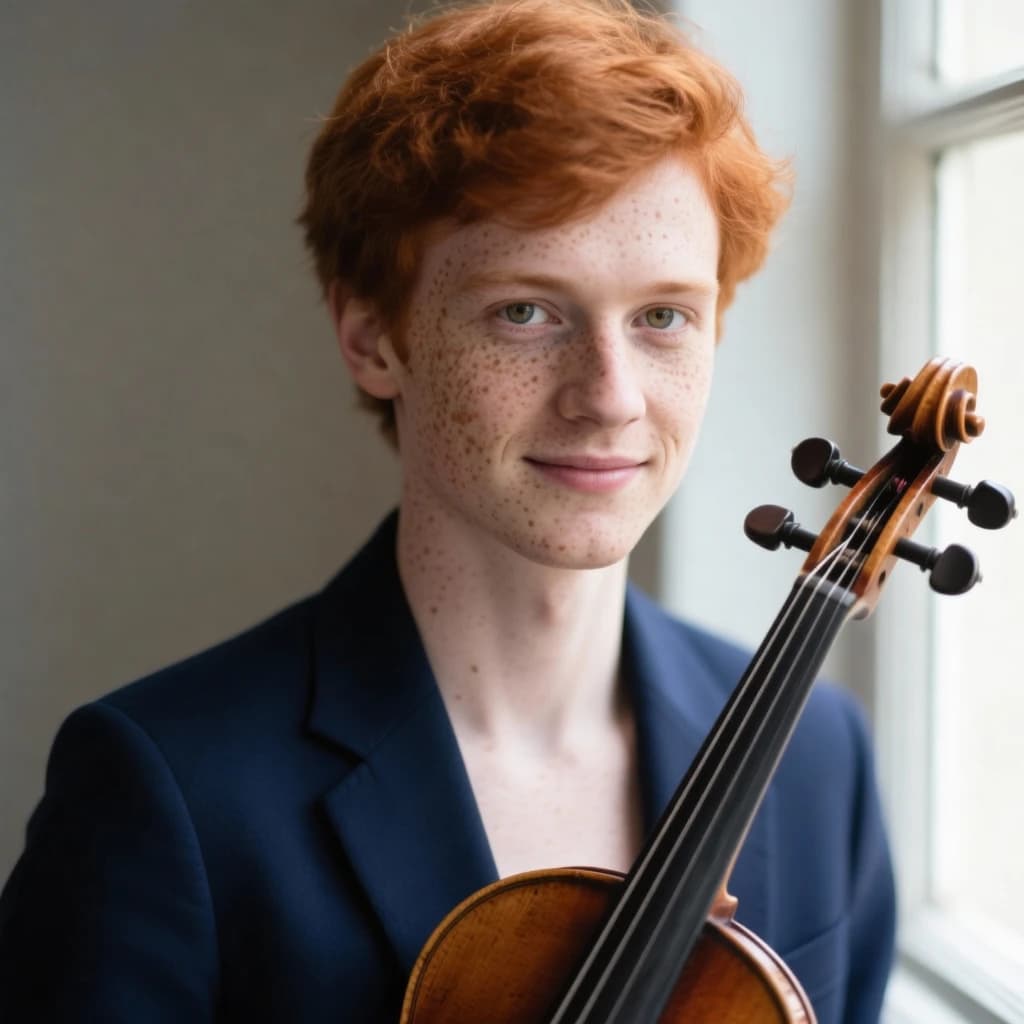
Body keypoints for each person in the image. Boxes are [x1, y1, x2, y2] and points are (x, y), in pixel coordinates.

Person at [0, 0, 895, 1020]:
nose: (607, 394)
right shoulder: (165, 789)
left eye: (661, 317)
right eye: (525, 311)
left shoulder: (818, 754)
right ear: (373, 337)